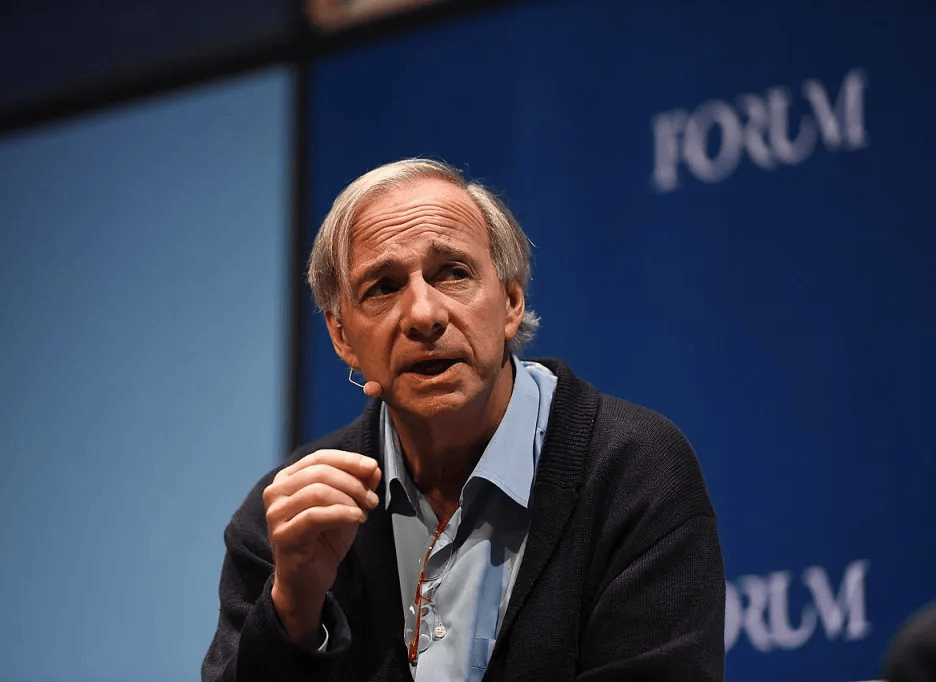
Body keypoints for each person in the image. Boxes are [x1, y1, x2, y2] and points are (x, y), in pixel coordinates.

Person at [202, 159, 725, 681]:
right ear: (343, 338)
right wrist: (294, 611)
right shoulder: (290, 519)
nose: (424, 315)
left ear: (511, 302)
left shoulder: (633, 474)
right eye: (383, 287)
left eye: (453, 273)